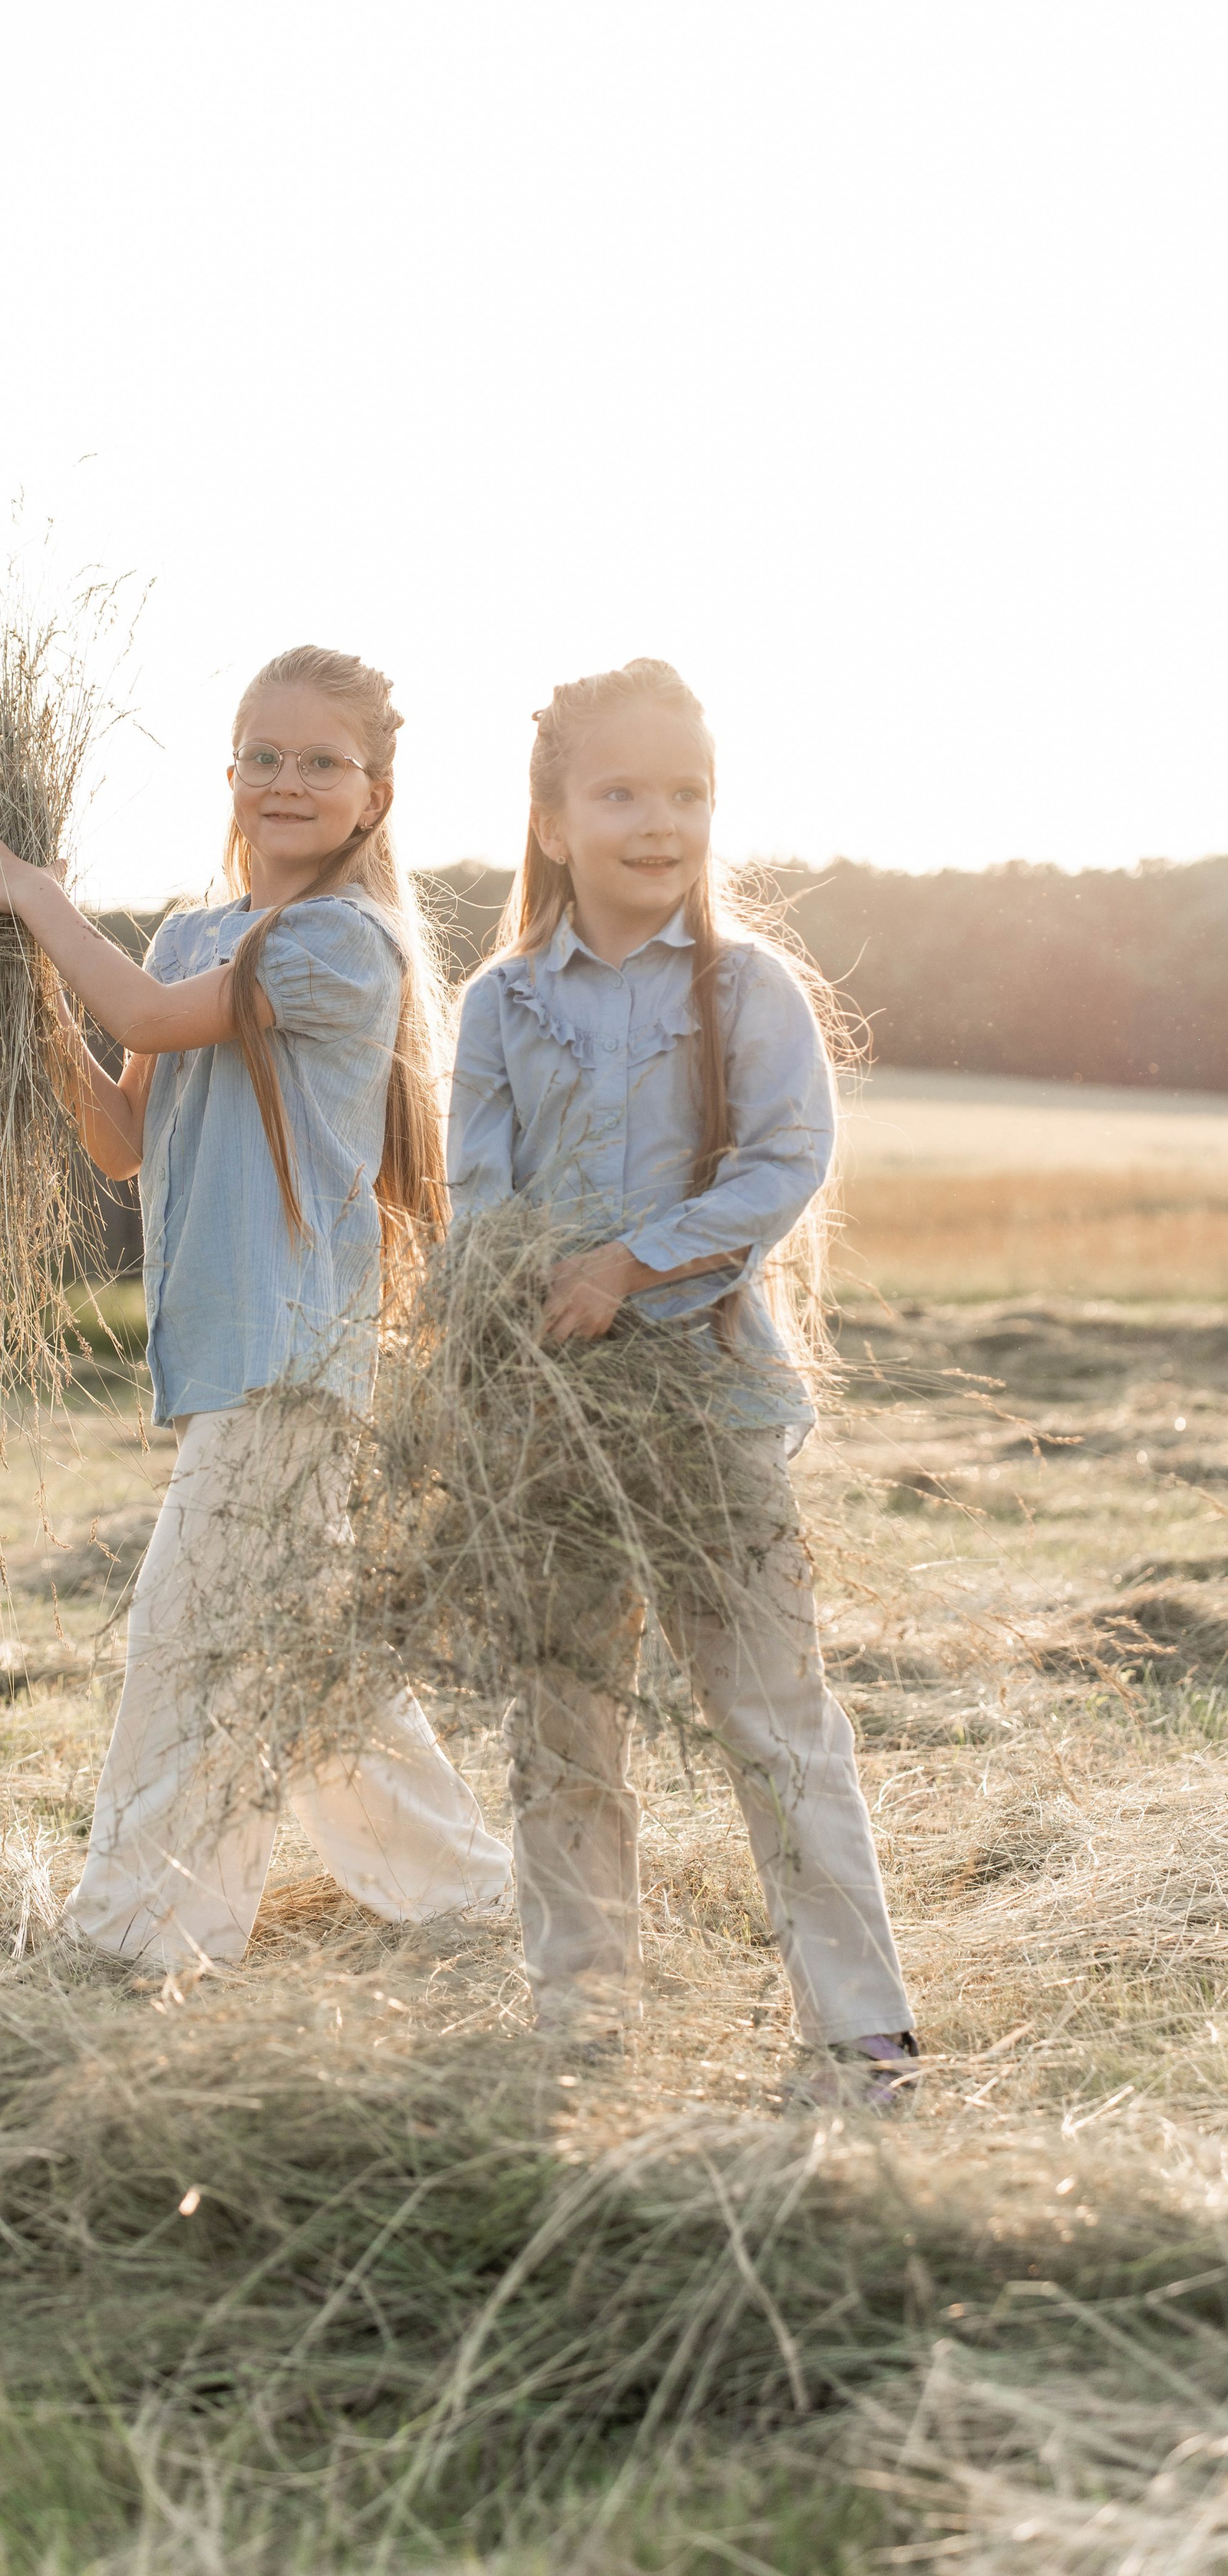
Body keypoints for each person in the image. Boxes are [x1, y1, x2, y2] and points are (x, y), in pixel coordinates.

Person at [0, 643, 511, 1968]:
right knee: (311, 1672)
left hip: (295, 1352)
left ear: (374, 795)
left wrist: (36, 901)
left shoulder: (343, 948)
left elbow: (136, 1004)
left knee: (186, 1641)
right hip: (222, 1344)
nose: (289, 782)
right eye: (265, 757)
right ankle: (472, 1900)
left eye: (323, 763)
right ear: (233, 774)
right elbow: (123, 1139)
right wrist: (18, 993)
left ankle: (138, 1939)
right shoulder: (193, 935)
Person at [447, 658, 916, 2104]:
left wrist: (630, 1269)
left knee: (772, 1712)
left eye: (689, 794)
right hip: (554, 1420)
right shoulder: (504, 1002)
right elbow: (477, 1199)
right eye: (622, 793)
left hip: (710, 1403)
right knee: (564, 1713)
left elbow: (786, 1161)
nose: (661, 823)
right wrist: (509, 1317)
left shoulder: (748, 988)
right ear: (552, 819)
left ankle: (861, 2036)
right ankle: (580, 2024)